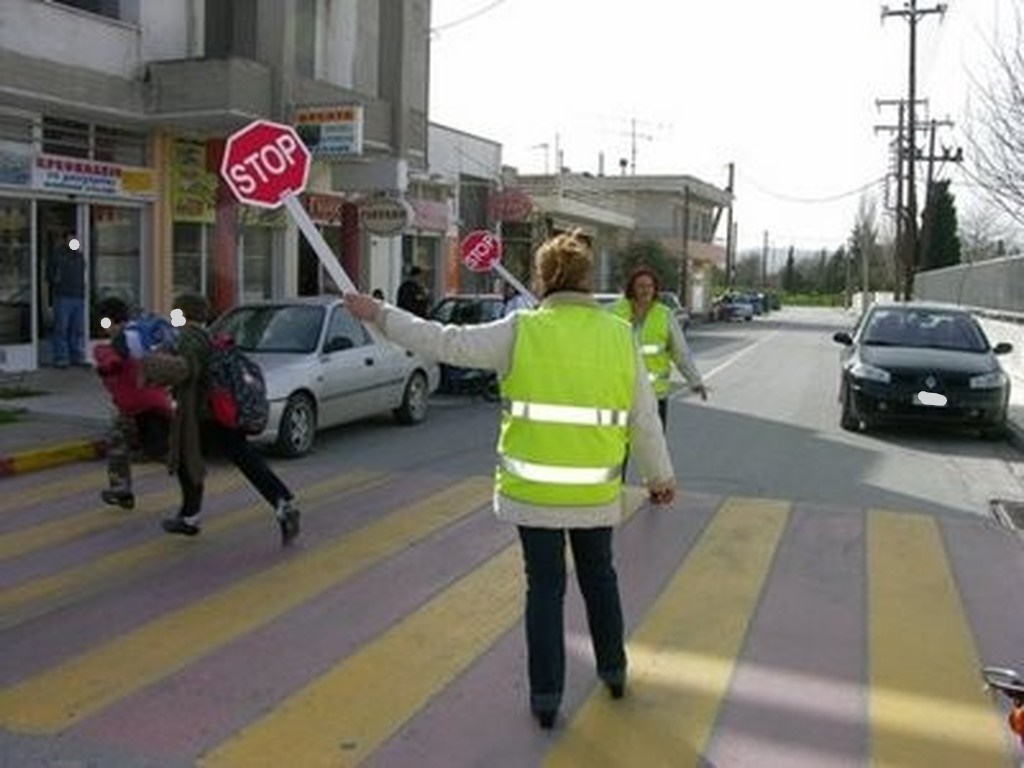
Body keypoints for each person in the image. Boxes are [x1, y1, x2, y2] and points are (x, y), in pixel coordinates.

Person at [344, 229, 676, 730]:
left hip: (534, 493)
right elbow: (644, 417)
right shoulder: (618, 335)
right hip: (594, 492)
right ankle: (613, 670)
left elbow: (443, 341)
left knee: (544, 588)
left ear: (543, 279)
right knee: (599, 578)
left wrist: (380, 314)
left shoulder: (520, 330)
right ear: (588, 280)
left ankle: (546, 698)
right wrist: (659, 477)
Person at [149, 293, 301, 546]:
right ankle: (282, 502)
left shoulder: (189, 337)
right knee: (244, 459)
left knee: (189, 461)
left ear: (182, 313)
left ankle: (190, 517)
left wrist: (155, 365)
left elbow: (188, 369)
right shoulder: (209, 336)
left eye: (176, 312)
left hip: (204, 414)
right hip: (224, 411)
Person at [93, 296, 174, 510]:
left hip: (145, 405)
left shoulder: (126, 340)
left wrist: (110, 364)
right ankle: (122, 490)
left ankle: (189, 480)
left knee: (154, 450)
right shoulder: (136, 336)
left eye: (105, 323)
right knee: (119, 441)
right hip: (138, 405)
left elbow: (118, 359)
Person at [609, 267, 707, 428]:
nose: (645, 290)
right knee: (618, 447)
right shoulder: (613, 312)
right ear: (632, 288)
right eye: (640, 286)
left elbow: (680, 352)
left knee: (654, 447)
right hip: (620, 394)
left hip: (654, 395)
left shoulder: (665, 315)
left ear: (655, 289)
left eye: (649, 286)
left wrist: (695, 381)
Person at [47, 230, 86, 368]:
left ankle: (76, 356)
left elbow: (82, 274)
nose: (73, 241)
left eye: (75, 238)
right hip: (63, 296)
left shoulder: (79, 257)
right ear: (65, 240)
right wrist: (57, 282)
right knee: (61, 328)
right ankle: (61, 358)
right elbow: (50, 275)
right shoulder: (57, 256)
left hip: (78, 296)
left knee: (77, 329)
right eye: (70, 238)